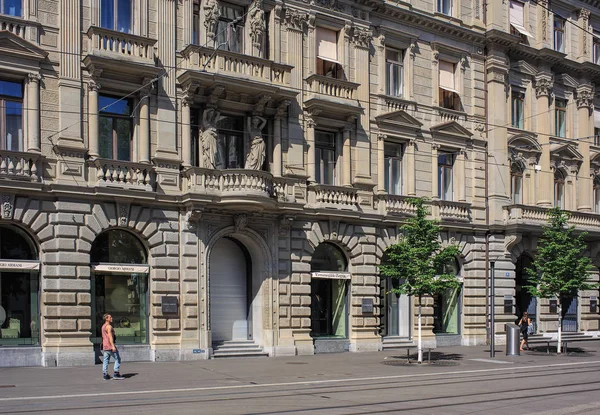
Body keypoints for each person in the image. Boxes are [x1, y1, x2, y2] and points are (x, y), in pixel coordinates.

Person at [101, 314, 124, 380]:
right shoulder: (109, 327)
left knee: (106, 360)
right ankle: (116, 374)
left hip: (105, 346)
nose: (112, 318)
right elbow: (110, 337)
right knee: (118, 359)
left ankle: (105, 374)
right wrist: (113, 346)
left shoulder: (103, 326)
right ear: (106, 319)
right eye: (110, 317)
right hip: (109, 346)